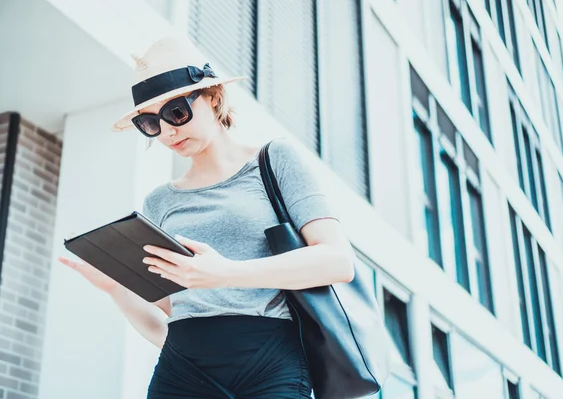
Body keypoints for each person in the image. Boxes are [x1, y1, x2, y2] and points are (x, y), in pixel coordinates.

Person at [58, 34, 355, 399]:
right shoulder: (159, 202)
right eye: (150, 123)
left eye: (177, 112)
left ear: (213, 98)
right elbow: (171, 320)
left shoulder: (273, 161)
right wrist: (117, 288)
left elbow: (338, 261)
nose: (167, 131)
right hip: (182, 371)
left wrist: (226, 272)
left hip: (271, 363)